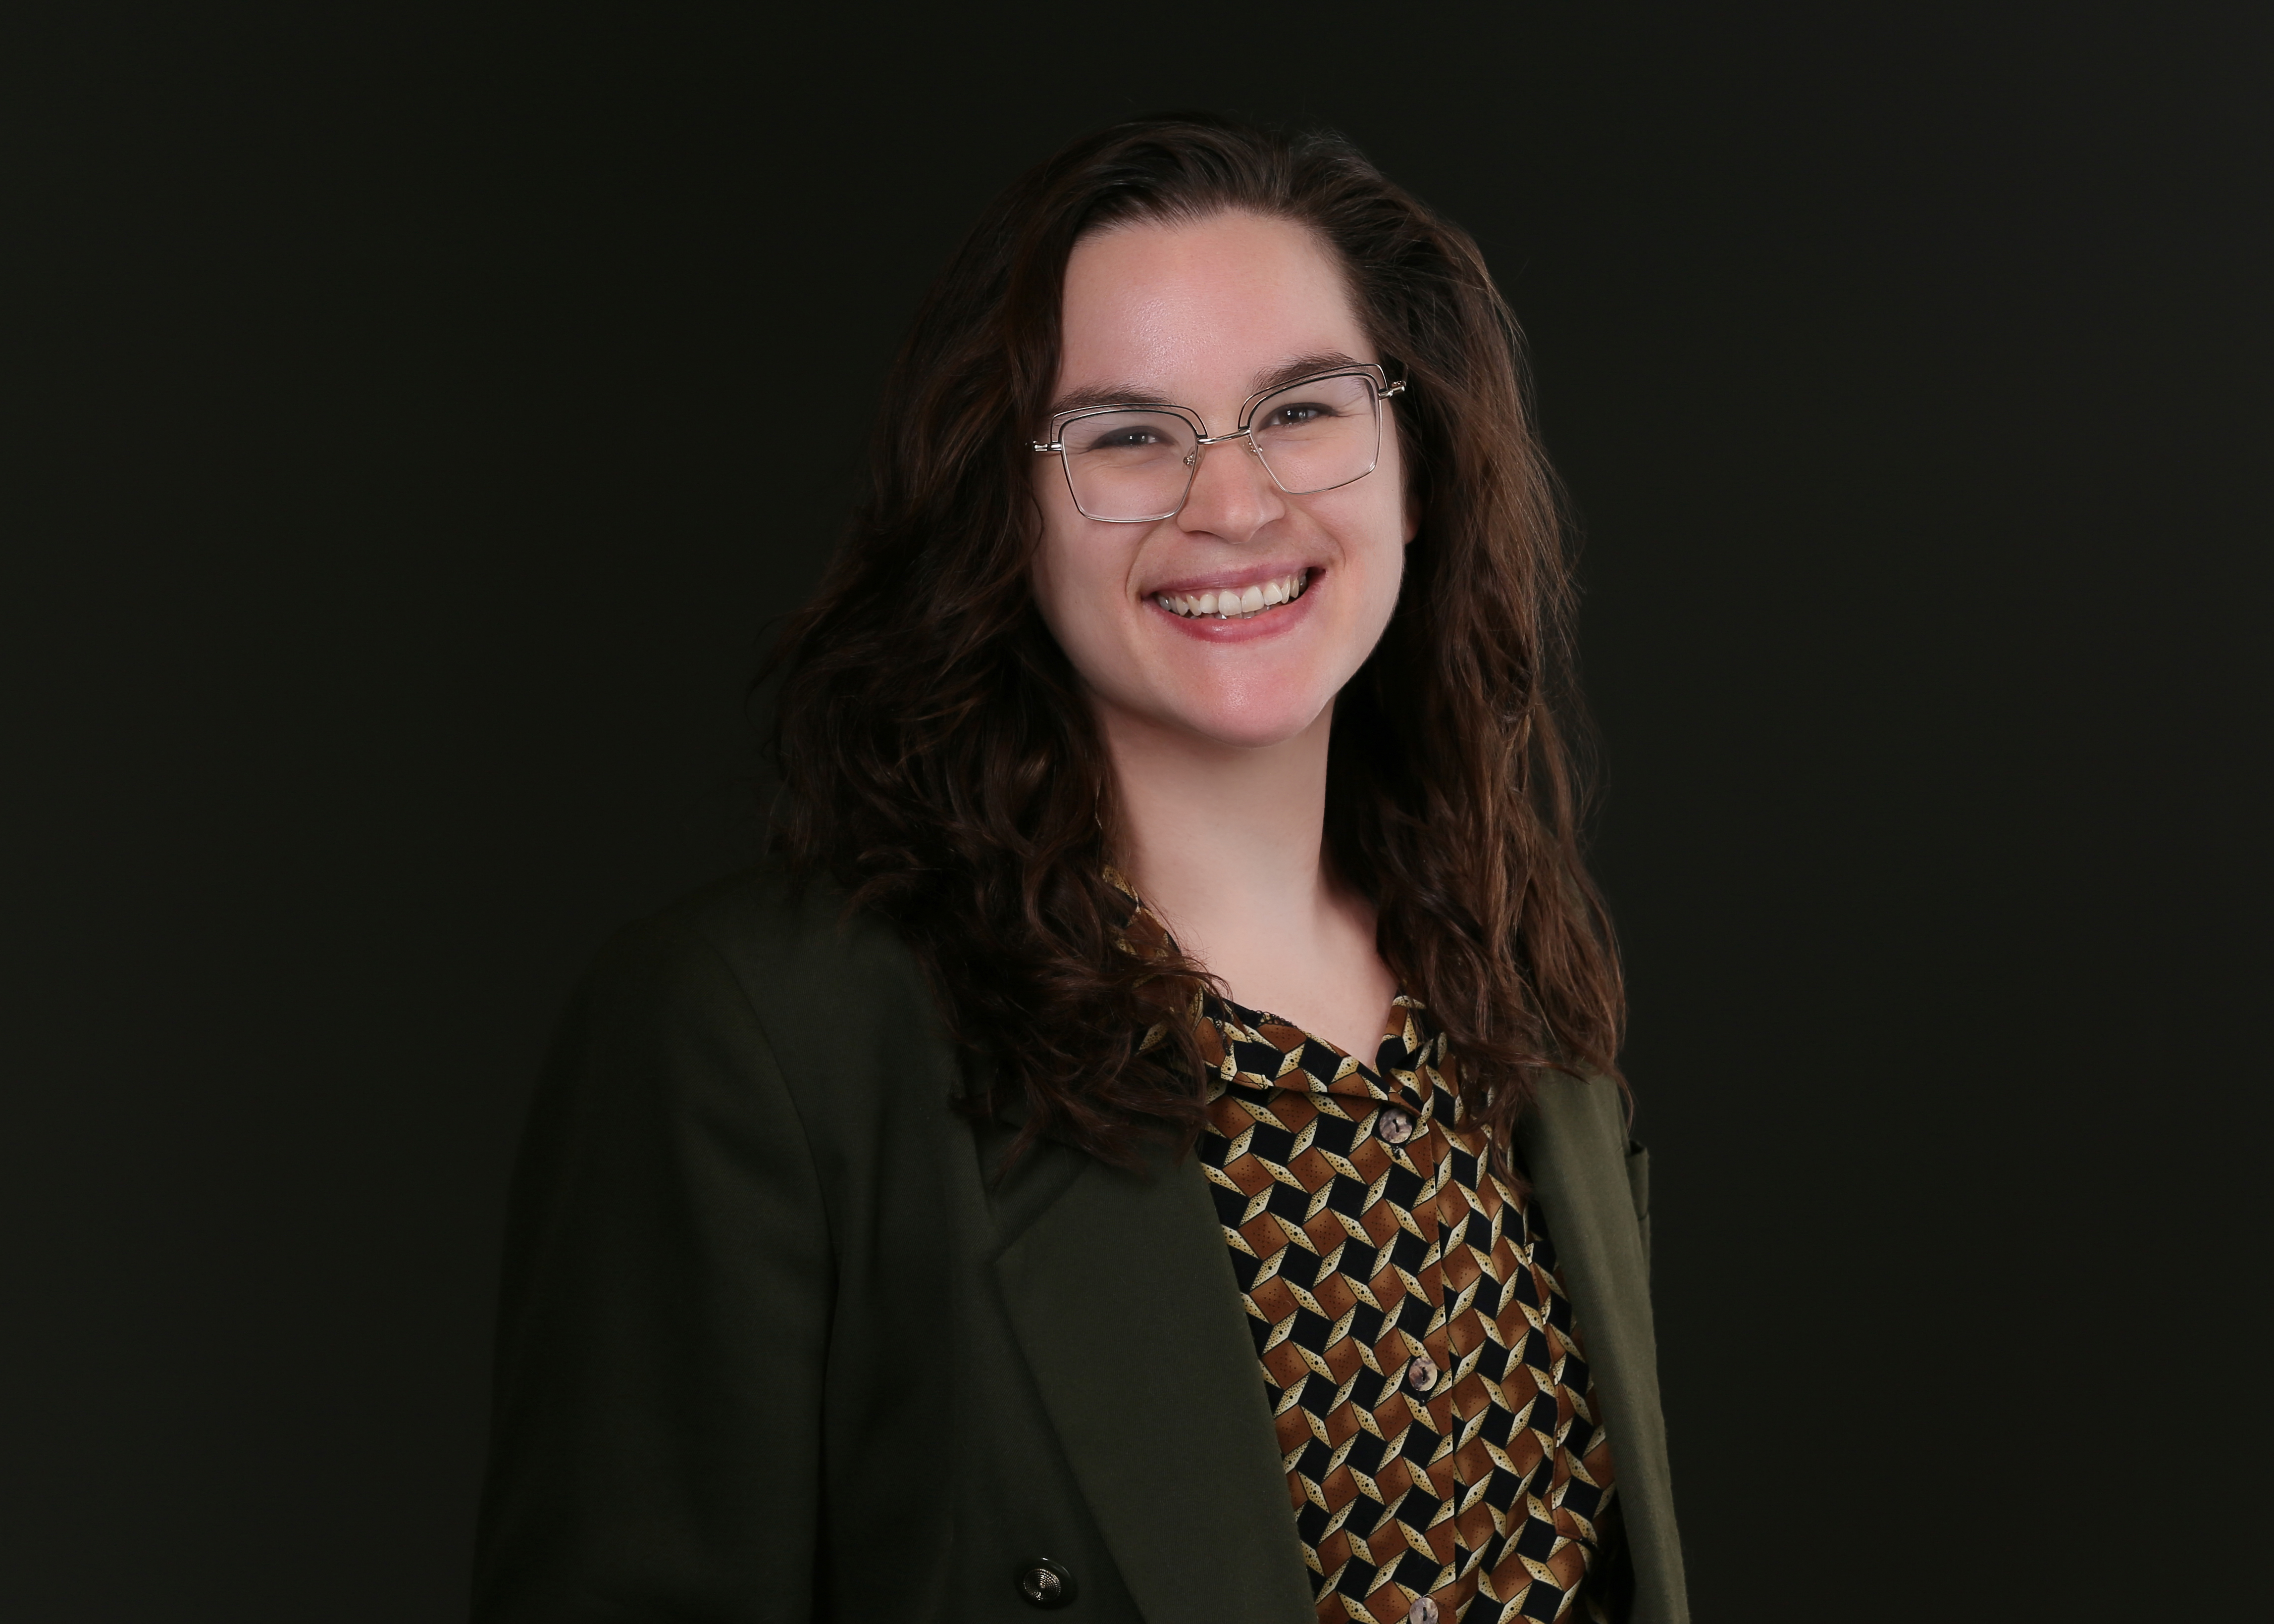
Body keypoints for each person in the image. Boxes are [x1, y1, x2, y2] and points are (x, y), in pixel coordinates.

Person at [472, 115, 1685, 1624]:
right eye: (1127, 437)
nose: (1232, 505)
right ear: (1009, 515)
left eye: (1301, 410)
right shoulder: (761, 1040)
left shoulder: (1520, 996)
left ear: (1415, 467)